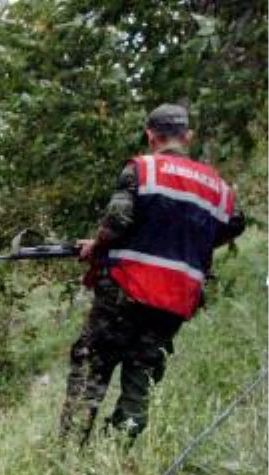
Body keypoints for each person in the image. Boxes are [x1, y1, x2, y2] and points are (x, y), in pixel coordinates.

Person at [60, 103, 245, 443]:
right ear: (187, 137)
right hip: (174, 302)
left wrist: (95, 245)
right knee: (141, 373)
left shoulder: (143, 170)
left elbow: (117, 223)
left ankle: (70, 449)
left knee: (92, 365)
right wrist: (194, 245)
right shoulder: (217, 186)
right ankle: (119, 450)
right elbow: (235, 224)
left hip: (125, 291)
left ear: (150, 135)